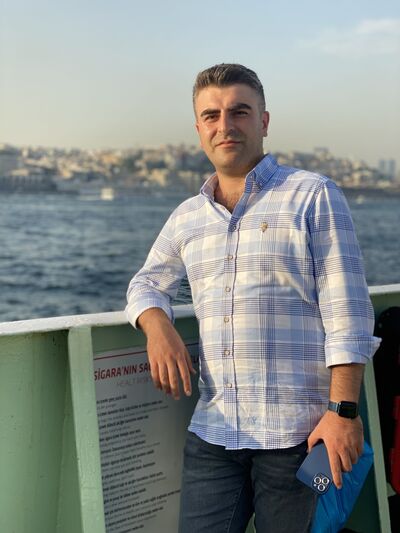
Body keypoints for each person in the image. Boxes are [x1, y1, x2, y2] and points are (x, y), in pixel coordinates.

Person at [125, 63, 381, 533]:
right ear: (199, 129)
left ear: (263, 121)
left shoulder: (313, 195)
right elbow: (146, 282)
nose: (225, 125)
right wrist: (157, 326)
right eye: (211, 115)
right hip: (214, 435)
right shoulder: (187, 217)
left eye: (239, 112)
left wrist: (344, 412)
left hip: (300, 438)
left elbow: (347, 310)